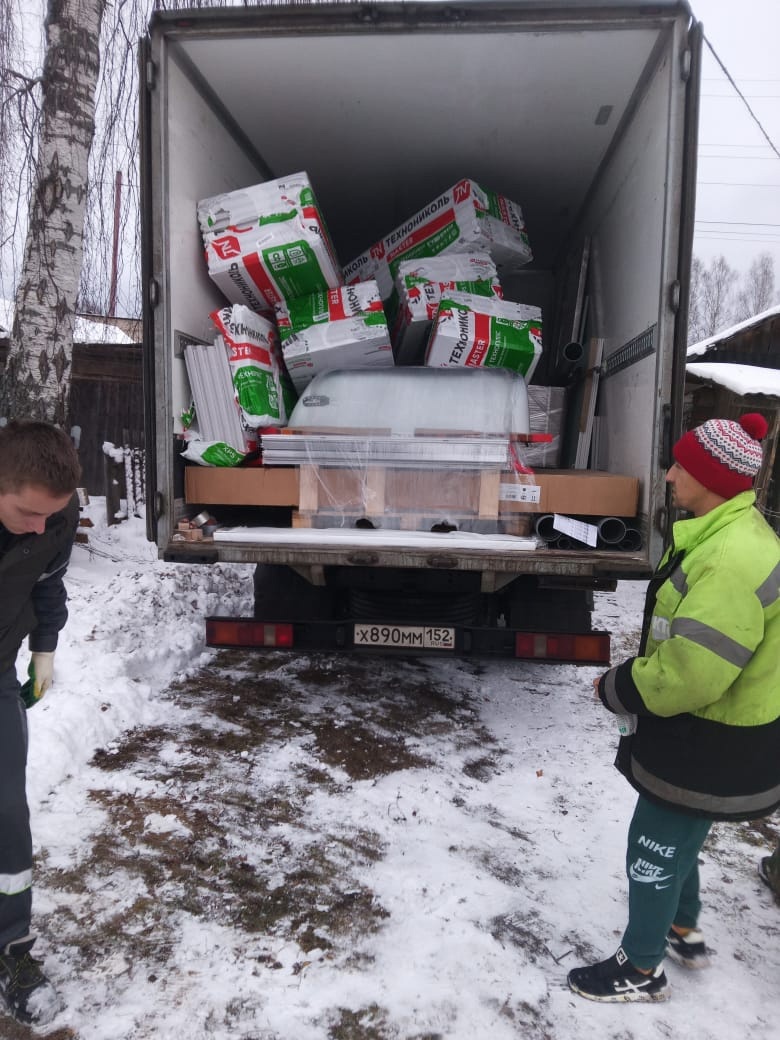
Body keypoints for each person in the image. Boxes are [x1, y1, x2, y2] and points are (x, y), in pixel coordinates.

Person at [567, 413, 780, 1003]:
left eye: (680, 465)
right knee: (682, 832)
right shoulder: (734, 534)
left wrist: (618, 687)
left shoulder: (729, 559)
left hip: (708, 739)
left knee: (655, 844)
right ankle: (683, 927)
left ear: (710, 478)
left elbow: (693, 673)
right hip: (721, 737)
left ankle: (641, 968)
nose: (667, 476)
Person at [0, 420, 81, 1025]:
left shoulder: (54, 515)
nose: (39, 526)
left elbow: (49, 582)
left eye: (48, 516)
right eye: (27, 512)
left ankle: (13, 947)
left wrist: (45, 646)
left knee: (7, 814)